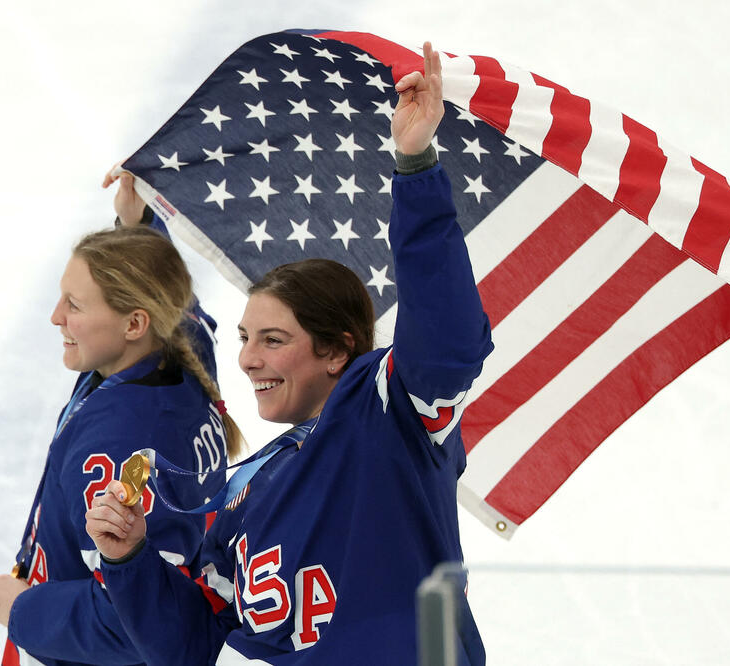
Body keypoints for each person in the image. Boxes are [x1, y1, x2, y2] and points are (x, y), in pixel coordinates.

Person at [86, 42, 491, 664]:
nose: (247, 360)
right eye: (246, 339)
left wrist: (415, 166)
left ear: (337, 352)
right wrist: (129, 557)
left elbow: (448, 333)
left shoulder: (392, 413)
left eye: (273, 340)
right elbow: (186, 643)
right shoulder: (241, 492)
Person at [0, 180, 242, 666]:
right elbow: (171, 296)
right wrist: (140, 223)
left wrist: (25, 609)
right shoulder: (183, 344)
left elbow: (133, 620)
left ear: (133, 324)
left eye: (75, 306)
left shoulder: (121, 445)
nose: (55, 316)